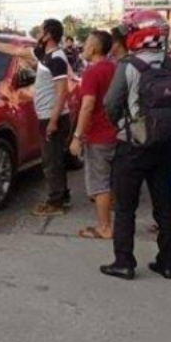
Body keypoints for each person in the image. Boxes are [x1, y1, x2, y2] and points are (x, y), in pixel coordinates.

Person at [101, 10, 171, 281]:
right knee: (165, 207)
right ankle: (167, 262)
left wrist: (124, 126)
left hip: (132, 147)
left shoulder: (128, 66)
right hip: (166, 145)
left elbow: (110, 104)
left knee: (126, 207)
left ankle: (124, 262)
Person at [0, 19, 72, 216]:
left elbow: (63, 91)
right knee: (55, 159)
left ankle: (55, 204)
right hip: (47, 116)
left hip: (52, 117)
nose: (38, 33)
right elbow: (17, 51)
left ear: (48, 35)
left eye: (40, 31)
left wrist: (54, 121)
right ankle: (62, 196)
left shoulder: (56, 58)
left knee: (50, 161)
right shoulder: (44, 56)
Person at [70, 30, 117, 240]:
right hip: (117, 133)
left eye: (87, 43)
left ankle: (105, 227)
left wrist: (77, 136)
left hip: (99, 135)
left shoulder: (92, 72)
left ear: (95, 48)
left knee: (100, 184)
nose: (83, 46)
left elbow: (87, 106)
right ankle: (112, 222)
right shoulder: (115, 68)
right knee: (112, 181)